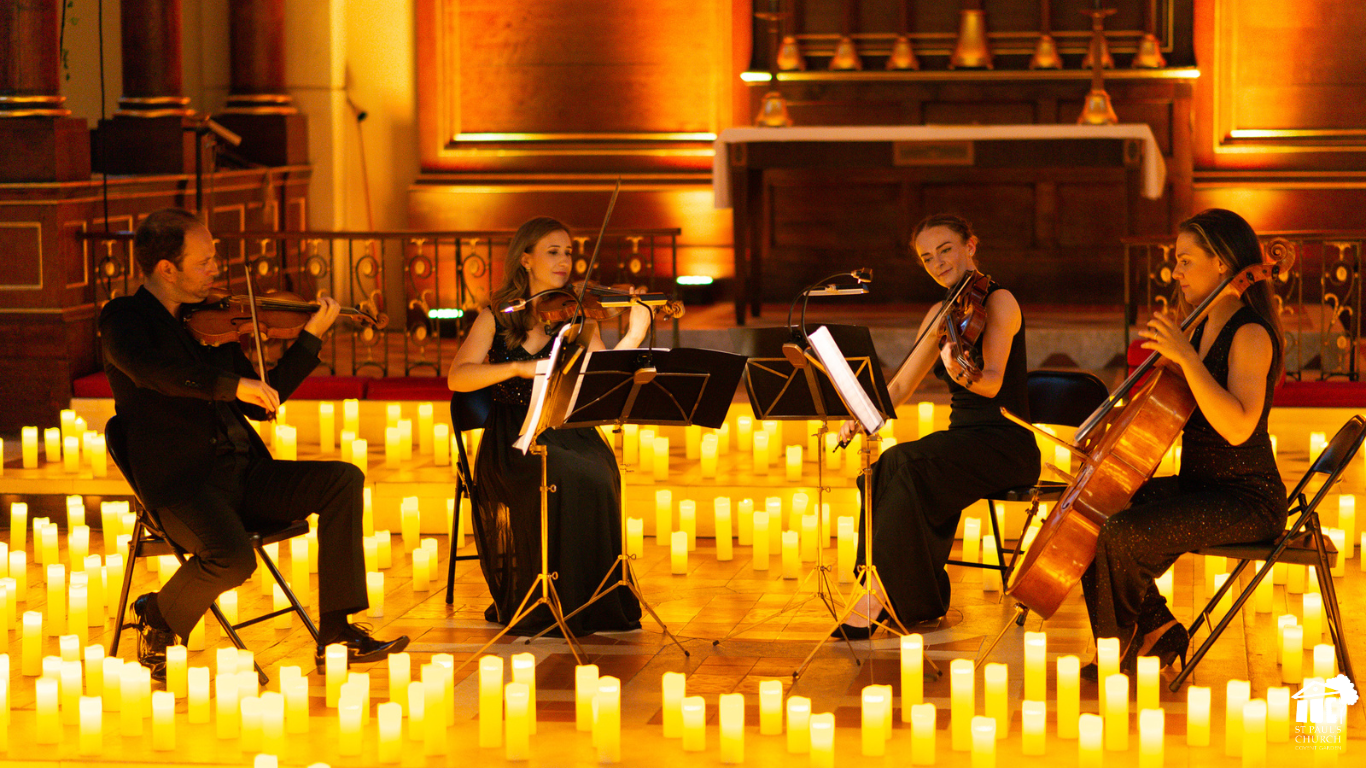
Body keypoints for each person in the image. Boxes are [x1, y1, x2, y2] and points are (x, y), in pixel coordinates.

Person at [100, 208, 408, 677]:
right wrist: (229, 386)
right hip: (182, 486)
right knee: (233, 558)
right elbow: (154, 373)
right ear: (167, 269)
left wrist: (309, 338)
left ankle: (337, 634)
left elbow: (263, 400)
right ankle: (159, 615)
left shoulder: (208, 324)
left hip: (244, 474)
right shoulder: (124, 318)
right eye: (203, 261)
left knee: (341, 480)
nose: (216, 269)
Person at [1079, 208, 1286, 679]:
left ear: (1221, 263)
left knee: (1123, 534)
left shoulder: (1250, 333)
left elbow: (1238, 427)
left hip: (1245, 498)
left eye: (1186, 260)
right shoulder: (1196, 325)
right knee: (1097, 511)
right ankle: (1156, 628)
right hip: (1201, 485)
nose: (1176, 272)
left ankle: (1117, 644)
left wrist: (1187, 358)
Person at [835, 214, 1041, 637]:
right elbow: (903, 383)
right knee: (885, 466)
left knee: (909, 465)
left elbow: (993, 382)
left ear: (971, 245)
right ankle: (904, 595)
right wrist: (862, 416)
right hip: (964, 439)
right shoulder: (941, 310)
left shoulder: (1000, 301)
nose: (938, 263)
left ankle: (881, 596)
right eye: (927, 258)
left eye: (946, 250)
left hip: (1005, 443)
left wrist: (956, 368)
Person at [447, 216, 650, 635]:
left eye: (569, 252)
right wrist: (520, 368)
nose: (564, 261)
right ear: (525, 259)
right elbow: (458, 376)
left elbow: (600, 378)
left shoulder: (577, 315)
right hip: (514, 438)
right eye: (552, 252)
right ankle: (549, 598)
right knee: (564, 470)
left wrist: (634, 334)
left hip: (568, 426)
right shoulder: (497, 316)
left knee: (599, 470)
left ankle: (592, 599)